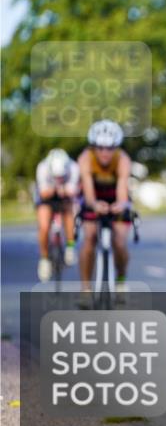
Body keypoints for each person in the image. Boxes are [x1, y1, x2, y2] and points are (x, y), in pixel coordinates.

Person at [77, 120, 133, 295]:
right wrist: (94, 205)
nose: (105, 152)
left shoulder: (123, 159)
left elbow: (123, 189)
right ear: (93, 147)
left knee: (120, 242)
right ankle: (86, 288)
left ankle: (121, 280)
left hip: (115, 197)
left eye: (110, 148)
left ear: (116, 147)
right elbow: (87, 190)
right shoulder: (85, 158)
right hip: (93, 197)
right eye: (100, 148)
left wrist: (121, 205)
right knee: (89, 238)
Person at [34, 148, 81, 281]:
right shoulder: (42, 168)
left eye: (61, 177)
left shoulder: (73, 167)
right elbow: (43, 193)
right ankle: (44, 260)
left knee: (69, 212)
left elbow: (73, 191)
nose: (59, 179)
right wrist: (57, 189)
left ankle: (70, 247)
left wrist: (64, 190)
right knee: (43, 226)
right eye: (56, 177)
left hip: (65, 197)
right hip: (47, 197)